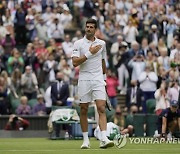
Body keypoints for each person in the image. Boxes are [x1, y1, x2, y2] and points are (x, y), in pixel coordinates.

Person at [71, 18, 114, 149]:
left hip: (98, 80)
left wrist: (104, 79)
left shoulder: (102, 43)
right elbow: (75, 63)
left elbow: (103, 61)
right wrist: (90, 53)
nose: (88, 29)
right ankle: (85, 140)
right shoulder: (78, 43)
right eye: (87, 26)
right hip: (84, 79)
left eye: (91, 27)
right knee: (83, 109)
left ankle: (104, 138)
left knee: (101, 108)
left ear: (95, 29)